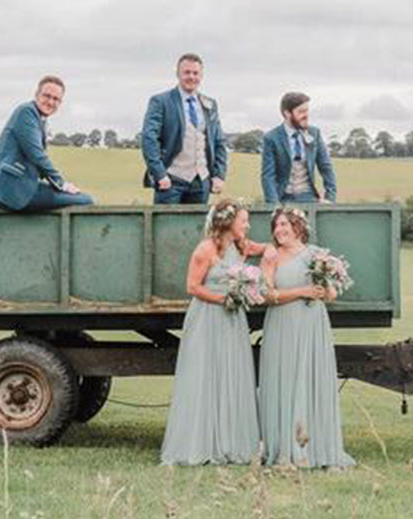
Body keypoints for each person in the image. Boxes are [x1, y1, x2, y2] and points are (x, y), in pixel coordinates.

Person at [162, 199, 269, 465]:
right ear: (228, 222)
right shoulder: (205, 249)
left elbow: (268, 248)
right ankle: (201, 442)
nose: (247, 224)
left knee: (231, 373)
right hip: (208, 317)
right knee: (205, 374)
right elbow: (192, 287)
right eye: (243, 220)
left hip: (233, 320)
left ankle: (231, 441)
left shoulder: (240, 246)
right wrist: (223, 300)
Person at [255, 207, 355, 468]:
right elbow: (266, 295)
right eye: (276, 226)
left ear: (298, 227)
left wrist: (324, 287)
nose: (279, 230)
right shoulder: (271, 256)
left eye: (284, 225)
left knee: (312, 379)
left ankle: (318, 449)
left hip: (312, 325)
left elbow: (331, 294)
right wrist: (302, 290)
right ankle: (285, 450)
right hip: (281, 325)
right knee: (284, 379)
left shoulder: (316, 255)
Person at [0, 76, 94, 212]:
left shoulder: (38, 118)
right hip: (14, 190)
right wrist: (62, 184)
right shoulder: (26, 112)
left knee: (79, 197)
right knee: (86, 200)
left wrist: (58, 186)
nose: (50, 102)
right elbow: (36, 155)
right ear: (36, 95)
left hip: (18, 187)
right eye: (47, 96)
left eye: (56, 99)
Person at [141, 53, 228, 205]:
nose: (191, 77)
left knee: (198, 228)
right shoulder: (161, 101)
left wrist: (219, 175)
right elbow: (149, 138)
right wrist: (159, 174)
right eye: (187, 72)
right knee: (167, 228)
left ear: (201, 75)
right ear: (178, 74)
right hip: (170, 180)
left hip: (201, 182)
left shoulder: (210, 104)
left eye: (195, 73)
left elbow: (219, 141)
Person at [259, 93, 337, 204]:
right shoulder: (271, 138)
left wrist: (330, 198)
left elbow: (326, 167)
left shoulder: (315, 133)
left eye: (306, 111)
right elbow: (268, 176)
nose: (306, 115)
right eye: (301, 112)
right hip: (283, 199)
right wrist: (274, 207)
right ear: (287, 114)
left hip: (309, 198)